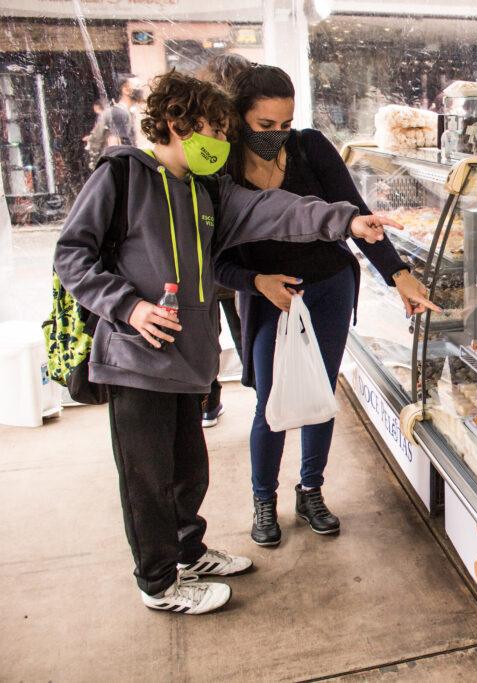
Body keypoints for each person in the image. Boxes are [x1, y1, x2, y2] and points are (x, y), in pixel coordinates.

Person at [53, 70, 405, 615]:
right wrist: (130, 306)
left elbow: (277, 210)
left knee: (188, 469)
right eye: (215, 131)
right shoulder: (122, 177)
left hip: (188, 360)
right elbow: (72, 256)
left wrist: (346, 221)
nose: (224, 143)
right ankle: (158, 583)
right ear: (176, 124)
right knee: (148, 479)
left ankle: (189, 553)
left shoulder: (207, 190)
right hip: (134, 358)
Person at [215, 65, 439, 547]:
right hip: (270, 297)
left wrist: (398, 274)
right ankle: (263, 500)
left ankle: (311, 489)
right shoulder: (223, 168)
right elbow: (215, 260)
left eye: (285, 124)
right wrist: (255, 281)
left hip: (329, 287)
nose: (277, 135)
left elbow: (356, 213)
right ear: (239, 119)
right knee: (270, 401)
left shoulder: (309, 146)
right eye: (264, 126)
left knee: (319, 395)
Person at [194, 53, 253, 427]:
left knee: (205, 338)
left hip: (205, 259)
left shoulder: (206, 137)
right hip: (237, 259)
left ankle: (208, 401)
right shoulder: (242, 140)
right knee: (245, 330)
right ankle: (263, 392)